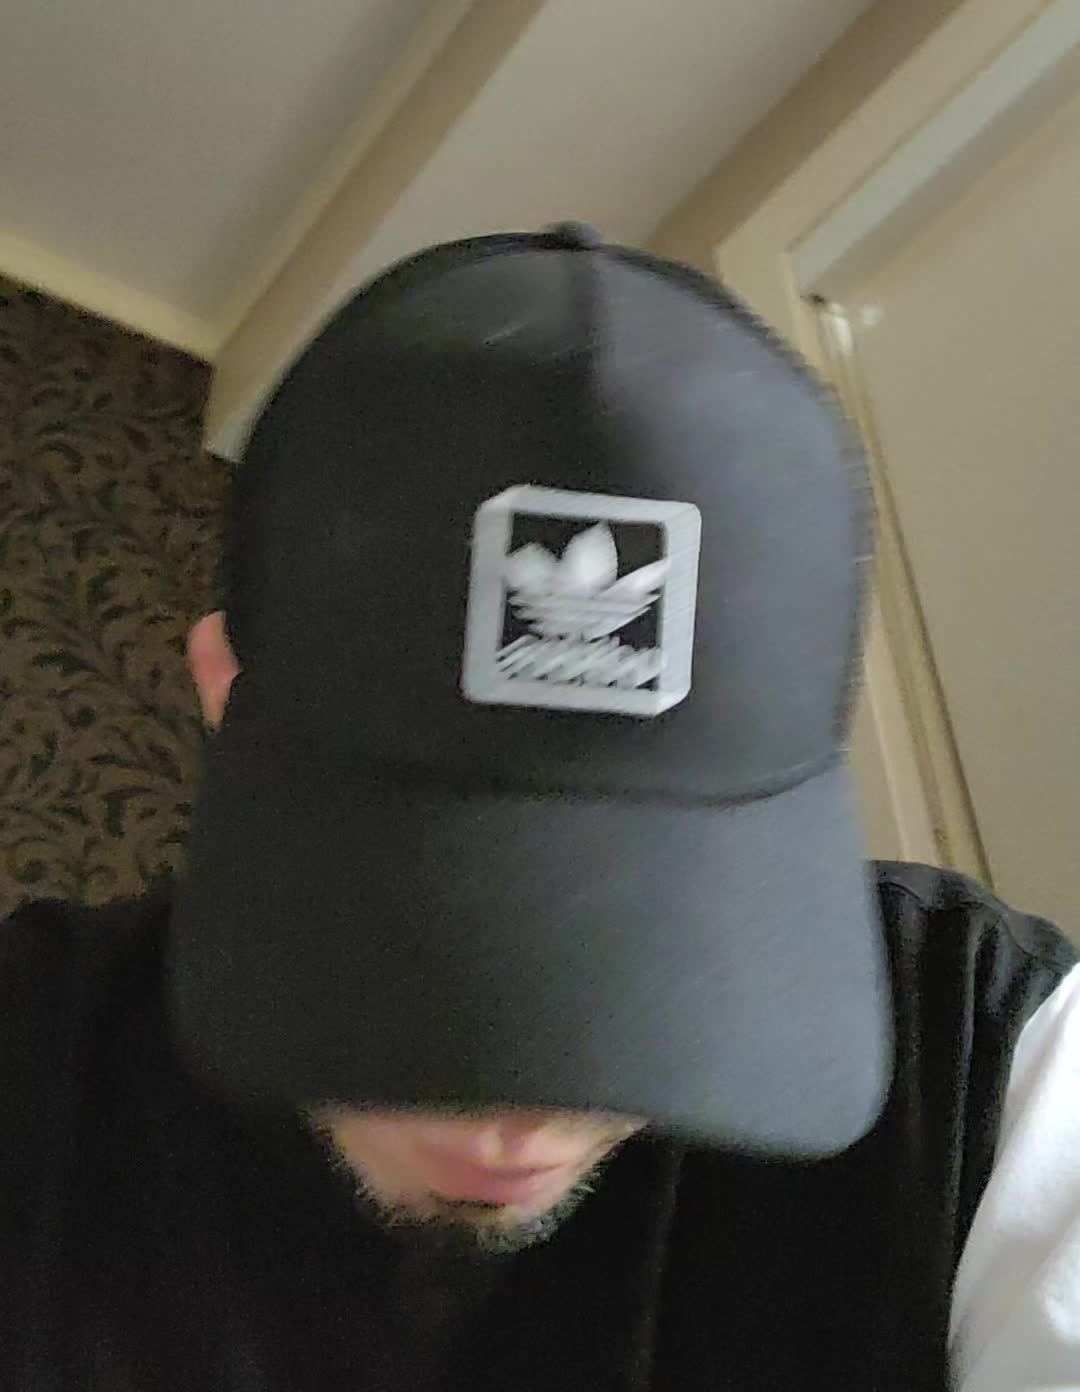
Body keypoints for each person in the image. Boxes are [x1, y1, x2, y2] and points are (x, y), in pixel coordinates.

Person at [2, 225, 1078, 1391]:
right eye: (423, 928)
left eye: (632, 945)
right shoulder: (36, 1061)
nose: (516, 1126)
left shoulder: (997, 1061)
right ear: (225, 691)